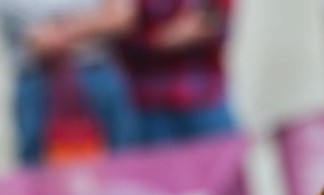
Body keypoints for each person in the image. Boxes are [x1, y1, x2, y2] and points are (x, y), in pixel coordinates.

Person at [0, 0, 140, 165]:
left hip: (96, 73)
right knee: (41, 171)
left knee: (118, 166)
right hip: (37, 79)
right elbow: (35, 39)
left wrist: (62, 32)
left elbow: (120, 17)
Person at [120, 0, 234, 145]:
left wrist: (200, 26)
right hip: (151, 104)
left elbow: (223, 13)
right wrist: (157, 39)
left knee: (227, 161)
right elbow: (121, 28)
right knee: (157, 165)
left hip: (206, 96)